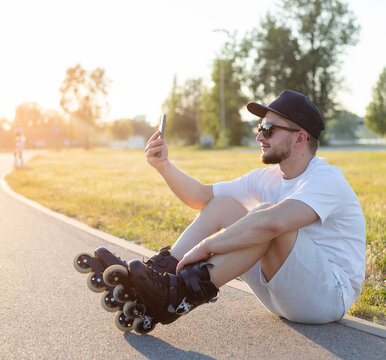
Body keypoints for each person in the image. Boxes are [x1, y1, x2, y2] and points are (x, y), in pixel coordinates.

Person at [130, 89, 366, 326]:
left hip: (328, 298)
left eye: (268, 130)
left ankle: (178, 295)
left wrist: (205, 247)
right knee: (222, 205)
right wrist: (163, 165)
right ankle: (160, 278)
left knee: (267, 220)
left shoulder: (327, 179)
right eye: (260, 128)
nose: (259, 137)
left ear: (299, 138)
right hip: (279, 292)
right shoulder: (267, 178)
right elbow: (201, 196)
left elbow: (273, 223)